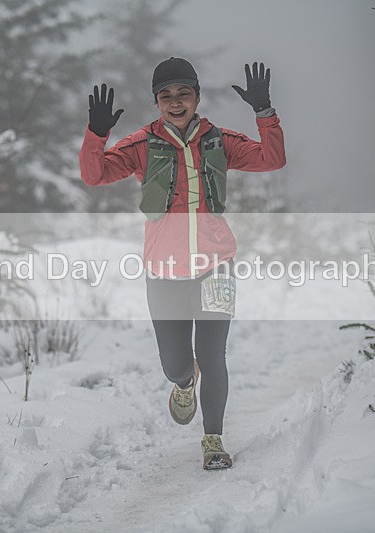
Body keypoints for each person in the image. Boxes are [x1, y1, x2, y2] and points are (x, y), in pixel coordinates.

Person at [79, 57, 286, 470]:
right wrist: (97, 133)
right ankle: (182, 382)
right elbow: (95, 175)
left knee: (213, 356)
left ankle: (213, 440)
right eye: (166, 95)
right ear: (156, 101)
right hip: (164, 271)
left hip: (217, 266)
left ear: (196, 96)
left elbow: (271, 159)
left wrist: (264, 112)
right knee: (176, 363)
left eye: (183, 93)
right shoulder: (141, 145)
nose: (175, 102)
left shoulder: (219, 140)